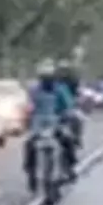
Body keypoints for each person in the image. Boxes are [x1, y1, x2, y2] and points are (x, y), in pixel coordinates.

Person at [24, 60, 76, 190]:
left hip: (56, 122)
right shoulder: (34, 90)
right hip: (38, 125)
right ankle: (31, 173)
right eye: (44, 78)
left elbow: (68, 105)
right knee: (29, 144)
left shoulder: (60, 89)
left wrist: (67, 114)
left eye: (49, 78)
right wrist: (28, 114)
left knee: (68, 140)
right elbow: (30, 106)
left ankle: (70, 167)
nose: (46, 81)